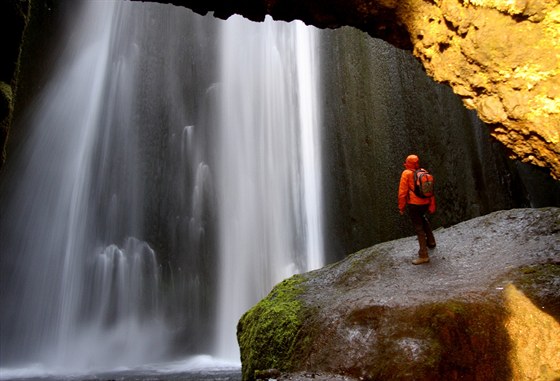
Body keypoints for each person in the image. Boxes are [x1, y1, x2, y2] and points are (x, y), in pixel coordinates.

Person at [398, 154, 436, 264]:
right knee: (423, 218)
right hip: (425, 203)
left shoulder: (406, 173)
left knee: (419, 228)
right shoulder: (423, 172)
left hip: (414, 205)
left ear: (407, 163)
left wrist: (401, 207)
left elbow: (402, 193)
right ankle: (431, 241)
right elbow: (431, 191)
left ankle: (423, 255)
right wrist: (432, 205)